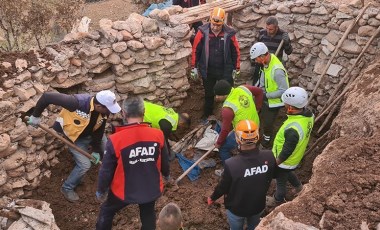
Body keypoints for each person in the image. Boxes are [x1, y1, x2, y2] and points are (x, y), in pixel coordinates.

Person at [27, 90, 121, 202]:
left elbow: (100, 129)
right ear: (98, 106)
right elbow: (47, 96)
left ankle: (110, 179)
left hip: (92, 134)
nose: (110, 112)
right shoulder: (76, 103)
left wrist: (96, 149)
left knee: (107, 151)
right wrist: (35, 116)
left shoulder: (104, 111)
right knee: (84, 165)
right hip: (75, 138)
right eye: (108, 109)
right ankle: (67, 188)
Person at [95, 96, 170, 230]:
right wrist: (166, 175)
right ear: (144, 111)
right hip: (150, 187)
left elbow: (106, 171)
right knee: (148, 214)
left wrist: (101, 190)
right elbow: (165, 160)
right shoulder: (158, 135)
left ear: (124, 113)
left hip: (124, 190)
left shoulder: (115, 140)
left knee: (107, 211)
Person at [207, 120, 276, 230]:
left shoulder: (231, 164)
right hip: (258, 205)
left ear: (238, 139)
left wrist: (212, 197)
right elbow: (273, 175)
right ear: (257, 137)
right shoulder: (269, 156)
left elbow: (223, 187)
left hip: (236, 209)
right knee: (254, 227)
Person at [191, 6, 241, 120]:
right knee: (209, 94)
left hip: (226, 69)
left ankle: (229, 115)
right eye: (213, 24)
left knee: (228, 93)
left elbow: (236, 51)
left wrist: (236, 68)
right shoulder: (202, 32)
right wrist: (193, 67)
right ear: (210, 20)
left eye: (218, 25)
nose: (215, 27)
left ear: (222, 23)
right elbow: (195, 50)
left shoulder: (229, 33)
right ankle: (207, 115)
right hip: (208, 70)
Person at [271, 87, 314, 205]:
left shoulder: (293, 129)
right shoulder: (308, 115)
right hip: (294, 159)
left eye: (285, 103)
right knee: (288, 173)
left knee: (281, 182)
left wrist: (276, 162)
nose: (284, 105)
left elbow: (287, 150)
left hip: (285, 161)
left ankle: (277, 199)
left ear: (290, 107)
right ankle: (299, 187)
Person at [213, 80, 263, 176]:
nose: (216, 97)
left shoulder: (227, 108)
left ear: (224, 95)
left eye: (218, 95)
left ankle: (229, 171)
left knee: (223, 148)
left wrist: (218, 143)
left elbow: (225, 130)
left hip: (243, 134)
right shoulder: (243, 88)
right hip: (256, 126)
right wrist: (257, 108)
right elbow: (259, 92)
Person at [250, 42, 289, 149]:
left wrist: (266, 95)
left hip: (274, 102)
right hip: (266, 97)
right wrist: (256, 90)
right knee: (259, 116)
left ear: (262, 56)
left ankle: (266, 142)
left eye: (256, 59)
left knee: (267, 123)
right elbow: (262, 80)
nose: (255, 61)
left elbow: (283, 90)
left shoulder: (277, 71)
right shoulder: (266, 63)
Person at [252, 16, 292, 86]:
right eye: (267, 28)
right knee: (257, 84)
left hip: (274, 66)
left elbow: (288, 52)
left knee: (271, 85)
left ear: (276, 27)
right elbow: (256, 49)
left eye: (271, 29)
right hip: (261, 65)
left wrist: (287, 43)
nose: (268, 31)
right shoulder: (262, 33)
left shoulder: (283, 35)